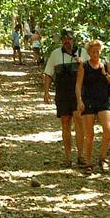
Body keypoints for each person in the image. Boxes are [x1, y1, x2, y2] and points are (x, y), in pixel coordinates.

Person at [76, 39, 110, 172]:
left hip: (103, 101)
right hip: (88, 101)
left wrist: (104, 73)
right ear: (88, 52)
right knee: (89, 134)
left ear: (101, 51)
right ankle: (88, 163)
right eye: (93, 51)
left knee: (107, 129)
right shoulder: (84, 66)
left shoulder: (106, 64)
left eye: (97, 51)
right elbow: (78, 85)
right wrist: (79, 101)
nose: (95, 53)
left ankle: (103, 158)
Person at [43, 30, 84, 166]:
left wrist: (81, 64)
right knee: (65, 123)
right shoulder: (55, 54)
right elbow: (48, 74)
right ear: (61, 41)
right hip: (62, 94)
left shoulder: (82, 53)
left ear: (74, 40)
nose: (67, 41)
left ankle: (81, 155)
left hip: (78, 94)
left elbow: (92, 70)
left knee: (79, 121)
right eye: (64, 39)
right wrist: (46, 92)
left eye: (69, 39)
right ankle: (68, 157)